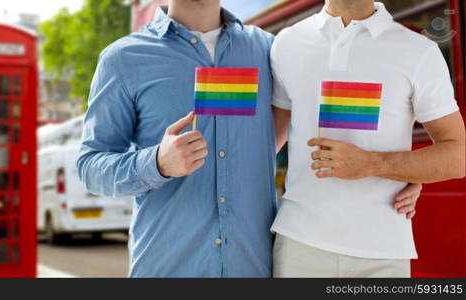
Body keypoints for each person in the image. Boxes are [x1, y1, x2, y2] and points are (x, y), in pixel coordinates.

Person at [77, 0, 278, 277]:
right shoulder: (123, 58)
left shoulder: (267, 50)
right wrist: (156, 163)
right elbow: (89, 167)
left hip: (252, 268)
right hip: (167, 269)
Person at [270, 0, 465, 277]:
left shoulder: (418, 51)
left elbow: (458, 156)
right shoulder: (287, 43)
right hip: (299, 245)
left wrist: (374, 164)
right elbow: (266, 144)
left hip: (383, 254)